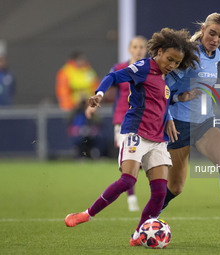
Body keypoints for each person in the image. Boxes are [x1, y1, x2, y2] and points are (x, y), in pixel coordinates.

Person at [64, 28, 200, 246]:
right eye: (170, 59)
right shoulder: (143, 67)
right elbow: (113, 76)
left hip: (158, 139)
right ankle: (86, 214)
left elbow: (163, 102)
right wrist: (99, 94)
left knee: (159, 192)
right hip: (136, 131)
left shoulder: (168, 77)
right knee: (128, 180)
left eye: (176, 62)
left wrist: (173, 112)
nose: (172, 65)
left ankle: (138, 235)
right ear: (160, 50)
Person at [161, 13, 220, 240]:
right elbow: (162, 88)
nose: (216, 39)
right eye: (212, 33)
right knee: (176, 187)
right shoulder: (187, 53)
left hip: (204, 123)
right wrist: (179, 100)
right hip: (178, 125)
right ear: (203, 28)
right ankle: (145, 223)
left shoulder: (216, 55)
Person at [110, 36, 148, 212]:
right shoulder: (119, 69)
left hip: (145, 120)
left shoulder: (151, 69)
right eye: (135, 46)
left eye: (141, 46)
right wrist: (94, 102)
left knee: (144, 161)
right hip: (123, 120)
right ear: (129, 49)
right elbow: (108, 86)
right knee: (129, 161)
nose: (138, 50)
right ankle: (131, 197)